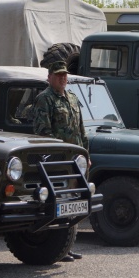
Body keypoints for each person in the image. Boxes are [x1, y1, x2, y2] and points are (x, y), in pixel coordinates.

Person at [33, 61, 88, 263]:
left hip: (75, 162)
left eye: (64, 75)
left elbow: (81, 130)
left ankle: (68, 245)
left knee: (74, 204)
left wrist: (86, 156)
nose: (62, 78)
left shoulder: (72, 98)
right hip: (57, 163)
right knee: (57, 205)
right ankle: (57, 247)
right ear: (50, 78)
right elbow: (42, 133)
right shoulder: (44, 99)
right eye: (58, 75)